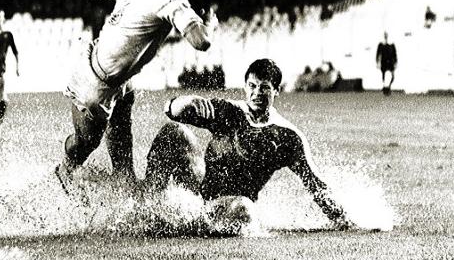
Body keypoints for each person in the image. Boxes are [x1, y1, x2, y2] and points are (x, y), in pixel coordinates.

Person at [55, 0, 215, 195]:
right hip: (95, 85)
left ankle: (124, 182)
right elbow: (201, 42)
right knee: (83, 144)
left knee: (122, 131)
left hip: (119, 79)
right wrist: (207, 24)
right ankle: (64, 170)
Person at [141, 59, 354, 229]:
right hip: (200, 193)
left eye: (264, 88)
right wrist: (185, 101)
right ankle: (146, 208)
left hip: (233, 206)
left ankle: (183, 220)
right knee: (174, 131)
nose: (257, 93)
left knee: (244, 210)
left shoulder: (287, 137)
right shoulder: (229, 111)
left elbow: (316, 184)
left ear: (277, 90)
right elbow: (171, 110)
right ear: (245, 87)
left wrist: (346, 221)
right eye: (252, 86)